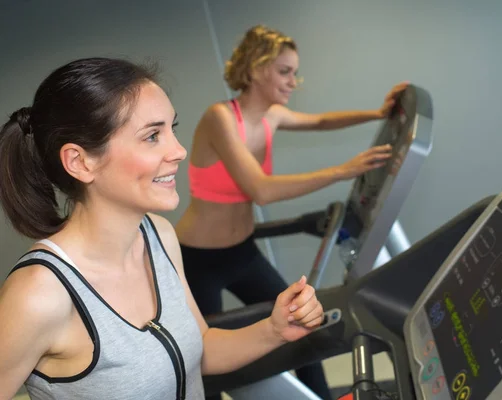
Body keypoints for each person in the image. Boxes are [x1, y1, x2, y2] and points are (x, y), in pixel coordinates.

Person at [0, 57, 324, 400]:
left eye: (172, 129)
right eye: (153, 135)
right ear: (81, 162)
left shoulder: (159, 235)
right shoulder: (40, 293)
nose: (180, 151)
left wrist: (274, 330)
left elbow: (200, 347)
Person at [175, 24, 409, 400]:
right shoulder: (219, 118)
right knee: (205, 366)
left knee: (304, 325)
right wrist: (345, 169)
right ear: (255, 70)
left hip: (243, 252)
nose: (293, 81)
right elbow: (261, 191)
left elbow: (321, 121)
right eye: (284, 72)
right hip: (198, 260)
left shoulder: (272, 117)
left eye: (293, 72)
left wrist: (378, 113)